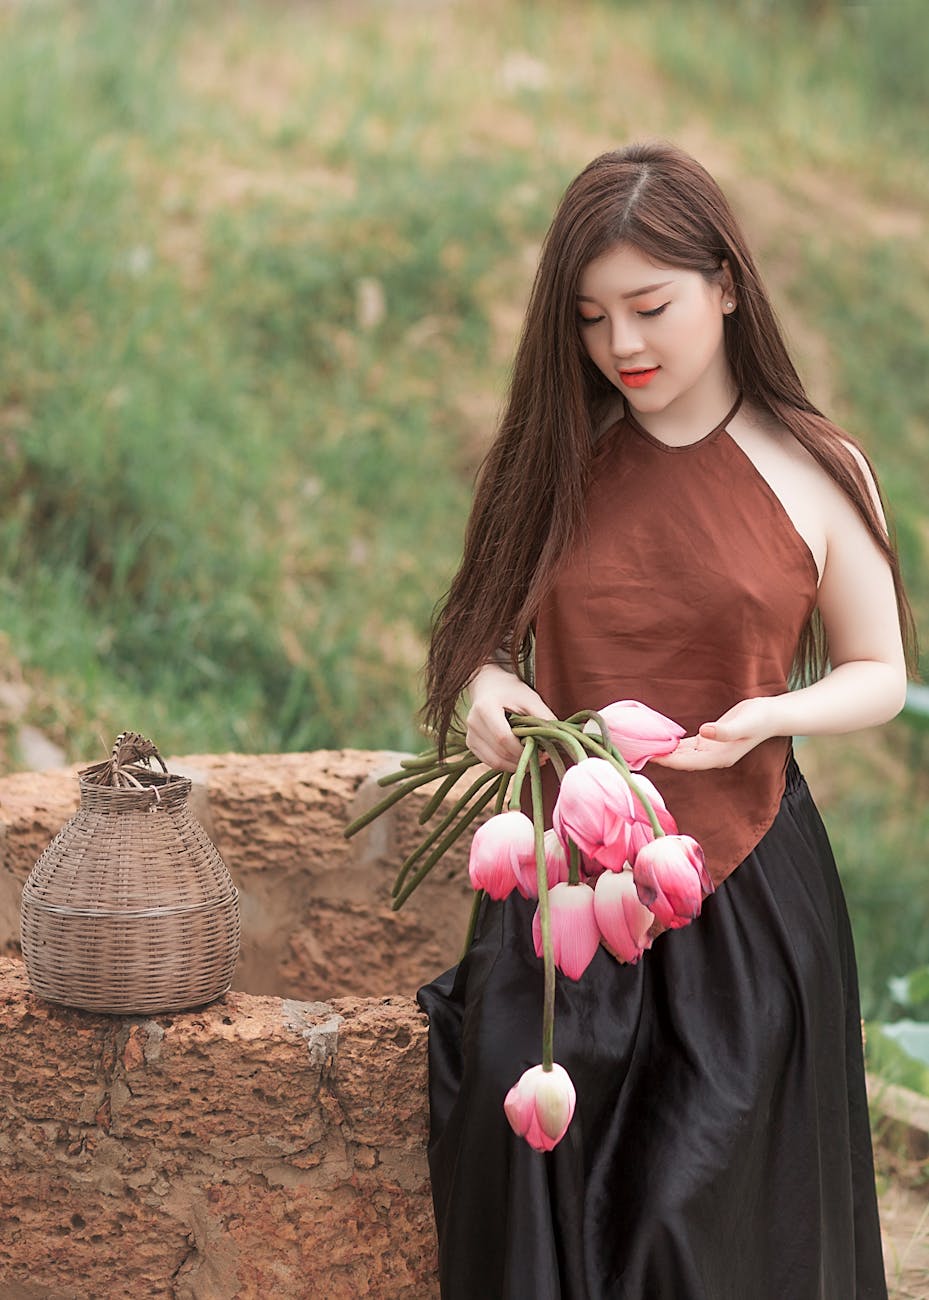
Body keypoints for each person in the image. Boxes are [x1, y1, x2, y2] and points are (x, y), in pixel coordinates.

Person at [416, 141, 917, 1300]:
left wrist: (769, 714)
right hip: (563, 894)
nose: (622, 346)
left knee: (698, 1213)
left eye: (649, 307)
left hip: (739, 884)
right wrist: (495, 695)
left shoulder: (816, 466)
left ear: (727, 285)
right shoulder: (552, 460)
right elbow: (475, 651)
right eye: (590, 319)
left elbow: (878, 670)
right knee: (531, 1160)